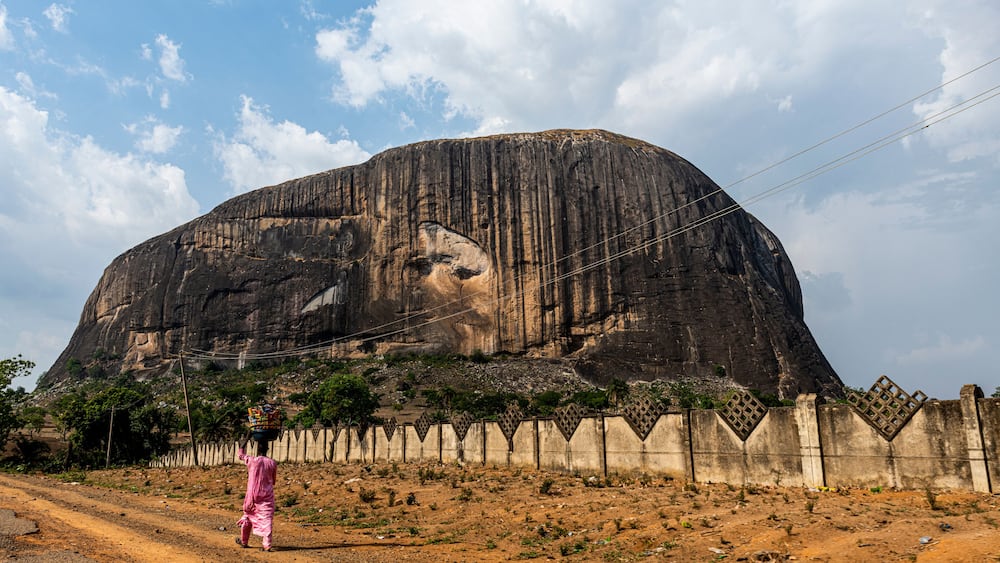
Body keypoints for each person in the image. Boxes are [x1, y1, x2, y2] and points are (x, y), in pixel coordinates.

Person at [235, 437, 278, 552]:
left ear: (257, 448)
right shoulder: (272, 463)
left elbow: (240, 455)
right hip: (266, 496)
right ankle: (267, 545)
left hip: (252, 497)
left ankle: (244, 542)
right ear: (267, 449)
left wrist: (244, 442)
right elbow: (273, 481)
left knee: (248, 518)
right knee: (267, 519)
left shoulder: (252, 460)